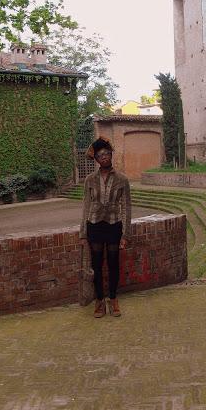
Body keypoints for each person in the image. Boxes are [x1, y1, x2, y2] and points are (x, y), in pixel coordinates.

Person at [79, 136, 132, 318]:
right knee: (96, 264)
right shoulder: (90, 180)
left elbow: (126, 207)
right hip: (94, 225)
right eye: (100, 155)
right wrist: (83, 233)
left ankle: (113, 299)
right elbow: (86, 205)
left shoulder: (122, 180)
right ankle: (99, 301)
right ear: (96, 159)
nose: (104, 157)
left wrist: (125, 234)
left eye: (107, 154)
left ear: (111, 155)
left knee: (113, 264)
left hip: (113, 225)